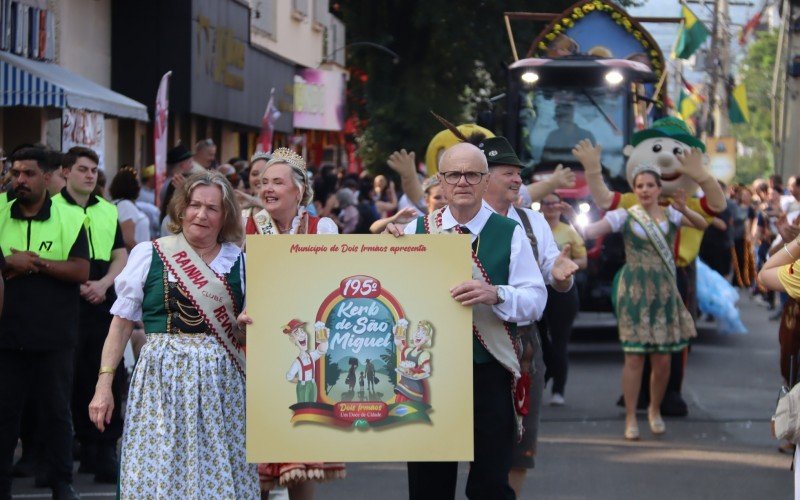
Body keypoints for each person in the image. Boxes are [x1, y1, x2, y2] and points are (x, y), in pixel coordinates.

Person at [386, 142, 547, 499]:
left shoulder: (509, 232)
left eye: (472, 174)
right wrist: (386, 253)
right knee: (429, 486)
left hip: (489, 371)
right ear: (441, 182)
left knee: (490, 484)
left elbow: (536, 299)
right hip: (429, 374)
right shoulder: (414, 231)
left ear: (485, 180)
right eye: (453, 174)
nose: (462, 182)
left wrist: (497, 294)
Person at [88, 170, 258, 498]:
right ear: (181, 210)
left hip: (222, 388)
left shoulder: (242, 262)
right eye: (195, 205)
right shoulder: (150, 254)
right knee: (160, 469)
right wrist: (104, 385)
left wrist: (246, 326)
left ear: (225, 216)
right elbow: (121, 324)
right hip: (160, 382)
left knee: (220, 473)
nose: (201, 214)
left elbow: (246, 334)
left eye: (213, 208)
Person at [239, 148, 345, 498]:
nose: (267, 188)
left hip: (303, 343)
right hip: (254, 343)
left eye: (277, 182)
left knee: (299, 452)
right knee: (257, 446)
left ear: (298, 190)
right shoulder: (245, 224)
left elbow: (335, 283)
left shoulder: (321, 227)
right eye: (263, 181)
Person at [477, 136, 578, 497]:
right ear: (483, 177)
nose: (518, 180)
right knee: (468, 441)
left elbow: (553, 273)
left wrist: (562, 276)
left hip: (523, 343)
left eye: (519, 173)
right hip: (472, 341)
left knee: (522, 439)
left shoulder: (533, 222)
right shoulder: (460, 221)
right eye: (508, 173)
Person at [581, 164, 707, 440]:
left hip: (663, 291)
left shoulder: (672, 214)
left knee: (662, 359)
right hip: (635, 291)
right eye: (640, 186)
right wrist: (577, 222)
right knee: (634, 356)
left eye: (650, 185)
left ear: (659, 189)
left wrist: (685, 209)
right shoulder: (624, 216)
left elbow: (703, 224)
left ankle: (654, 409)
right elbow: (592, 231)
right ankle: (630, 417)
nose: (645, 190)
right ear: (634, 190)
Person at [0, 146, 90, 500]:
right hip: (6, 336)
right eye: (16, 173)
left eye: (29, 173)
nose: (20, 180)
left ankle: (61, 483)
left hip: (54, 336)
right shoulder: (1, 212)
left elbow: (81, 270)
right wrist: (10, 262)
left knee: (56, 414)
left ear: (48, 177)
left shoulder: (69, 218)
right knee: (4, 417)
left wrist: (38, 265)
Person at [52, 146, 128, 483]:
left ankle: (103, 449)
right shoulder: (51, 209)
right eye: (82, 169)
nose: (89, 175)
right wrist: (80, 283)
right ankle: (62, 448)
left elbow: (119, 254)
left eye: (94, 170)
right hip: (63, 299)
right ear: (65, 172)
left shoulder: (107, 210)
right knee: (64, 377)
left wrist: (104, 283)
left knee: (105, 372)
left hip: (101, 299)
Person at [539, 191, 587, 407]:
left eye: (554, 203)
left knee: (560, 341)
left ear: (560, 206)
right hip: (537, 290)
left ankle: (558, 389)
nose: (550, 207)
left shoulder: (569, 231)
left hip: (562, 291)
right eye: (545, 203)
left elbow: (583, 259)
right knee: (537, 341)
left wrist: (566, 266)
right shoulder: (533, 228)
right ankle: (538, 384)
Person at [110, 167, 150, 250]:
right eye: (137, 182)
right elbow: (127, 239)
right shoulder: (125, 206)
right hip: (134, 258)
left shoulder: (117, 204)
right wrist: (143, 254)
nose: (139, 186)